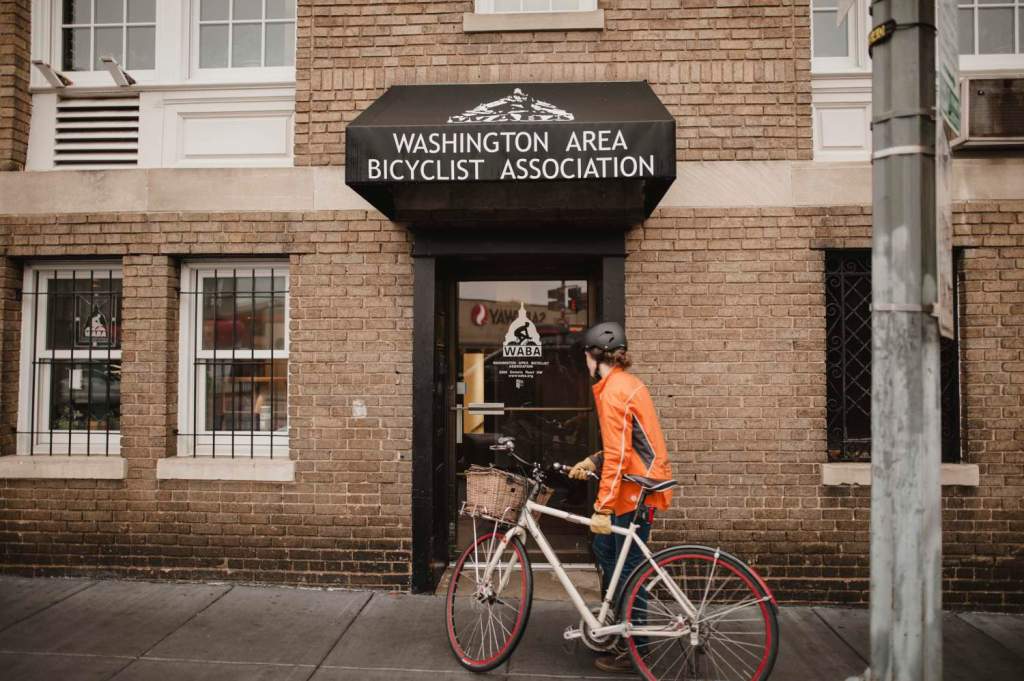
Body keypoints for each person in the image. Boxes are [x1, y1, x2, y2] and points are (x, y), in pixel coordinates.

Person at [568, 321, 674, 673]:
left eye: (585, 354)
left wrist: (601, 506)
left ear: (595, 355)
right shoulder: (622, 385)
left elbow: (619, 455)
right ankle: (616, 627)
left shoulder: (614, 391)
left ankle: (636, 651)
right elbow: (624, 446)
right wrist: (593, 460)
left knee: (630, 572)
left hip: (635, 491)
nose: (584, 361)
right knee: (603, 550)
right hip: (635, 483)